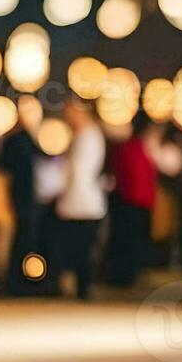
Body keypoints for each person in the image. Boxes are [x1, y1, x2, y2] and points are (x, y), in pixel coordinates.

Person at [53, 99, 107, 299]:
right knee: (76, 249)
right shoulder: (83, 135)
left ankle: (82, 288)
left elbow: (78, 172)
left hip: (81, 204)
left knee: (80, 250)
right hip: (78, 202)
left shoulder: (88, 136)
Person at [105, 113, 157, 287]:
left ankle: (127, 276)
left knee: (131, 244)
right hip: (130, 204)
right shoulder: (131, 148)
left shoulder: (136, 148)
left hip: (137, 204)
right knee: (127, 244)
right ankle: (122, 277)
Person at [0, 113, 41, 294]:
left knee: (24, 238)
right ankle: (16, 283)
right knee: (20, 238)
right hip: (18, 197)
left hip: (25, 197)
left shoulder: (26, 139)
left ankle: (20, 282)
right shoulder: (16, 140)